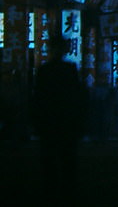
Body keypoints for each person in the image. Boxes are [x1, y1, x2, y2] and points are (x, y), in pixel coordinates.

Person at [30, 36, 89, 196]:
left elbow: (37, 98)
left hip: (49, 119)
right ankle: (67, 189)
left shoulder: (45, 70)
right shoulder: (69, 69)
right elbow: (79, 97)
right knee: (67, 157)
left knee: (49, 158)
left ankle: (51, 189)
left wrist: (36, 120)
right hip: (66, 119)